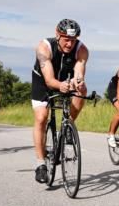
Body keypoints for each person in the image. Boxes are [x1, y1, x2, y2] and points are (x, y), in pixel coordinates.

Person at [31, 19, 89, 183]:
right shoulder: (44, 48)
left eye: (73, 40)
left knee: (82, 91)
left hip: (64, 79)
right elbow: (49, 80)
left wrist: (78, 82)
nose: (70, 44)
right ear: (57, 35)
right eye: (66, 39)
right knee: (41, 117)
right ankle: (40, 164)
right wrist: (60, 85)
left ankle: (67, 125)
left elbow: (79, 71)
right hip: (43, 82)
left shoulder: (82, 50)